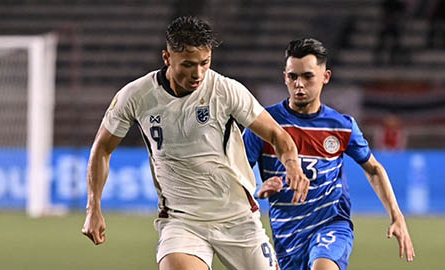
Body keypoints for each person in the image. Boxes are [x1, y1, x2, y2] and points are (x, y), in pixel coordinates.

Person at [81, 16, 310, 270]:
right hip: (182, 221)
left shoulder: (225, 90)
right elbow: (102, 148)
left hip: (238, 219)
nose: (198, 73)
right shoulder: (136, 96)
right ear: (167, 58)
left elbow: (277, 135)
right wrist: (94, 207)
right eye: (188, 65)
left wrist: (293, 164)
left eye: (205, 63)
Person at [243, 38, 415, 270]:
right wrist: (256, 190)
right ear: (285, 77)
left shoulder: (341, 126)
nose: (299, 84)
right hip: (287, 236)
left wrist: (397, 215)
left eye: (308, 76)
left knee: (322, 267)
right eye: (293, 77)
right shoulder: (264, 124)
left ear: (325, 77)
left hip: (331, 225)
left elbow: (373, 168)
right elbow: (236, 174)